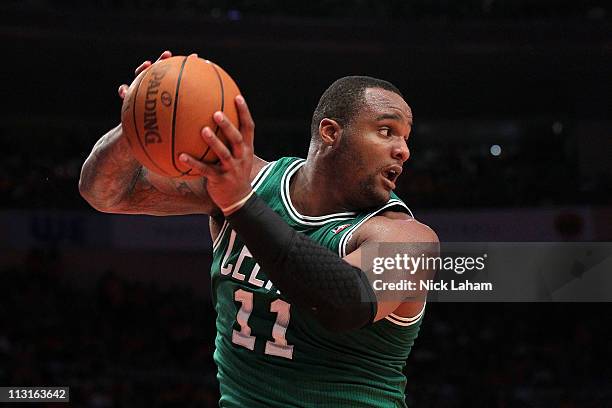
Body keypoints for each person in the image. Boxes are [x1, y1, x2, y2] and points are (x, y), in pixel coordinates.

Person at [79, 51, 438, 407]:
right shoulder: (242, 180)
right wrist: (139, 124)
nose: (403, 150)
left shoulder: (410, 240)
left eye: (406, 138)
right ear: (331, 133)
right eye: (387, 131)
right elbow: (106, 193)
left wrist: (240, 204)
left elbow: (345, 304)